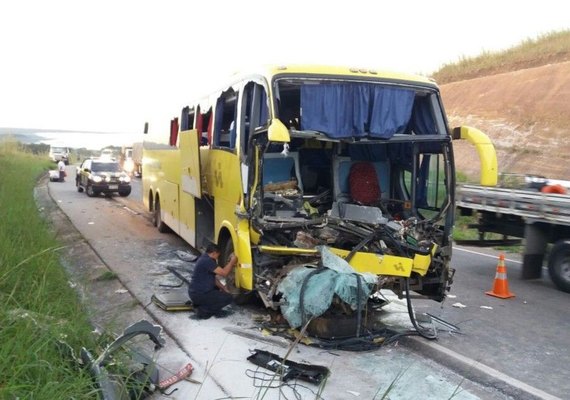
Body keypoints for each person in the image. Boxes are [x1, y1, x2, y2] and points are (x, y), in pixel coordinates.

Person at [188, 243, 238, 319]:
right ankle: (203, 312)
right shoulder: (207, 261)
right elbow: (224, 273)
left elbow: (214, 279)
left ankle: (200, 305)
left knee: (218, 290)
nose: (218, 256)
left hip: (195, 292)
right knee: (228, 298)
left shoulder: (205, 258)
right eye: (218, 254)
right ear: (214, 253)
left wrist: (223, 288)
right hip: (199, 294)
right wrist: (232, 262)